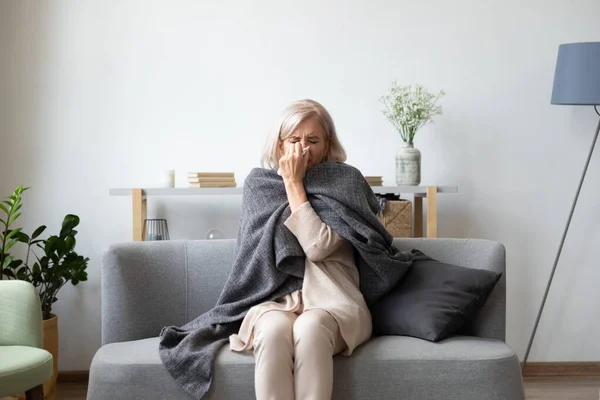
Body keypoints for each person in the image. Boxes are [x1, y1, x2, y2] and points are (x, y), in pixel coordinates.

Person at [229, 99, 372, 400]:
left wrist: (294, 185)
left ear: (327, 143)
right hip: (276, 300)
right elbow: (251, 257)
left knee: (310, 327)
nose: (303, 149)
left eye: (313, 140)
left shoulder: (346, 182)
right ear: (280, 146)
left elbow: (318, 246)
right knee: (271, 330)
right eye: (294, 140)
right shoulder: (260, 184)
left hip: (335, 301)